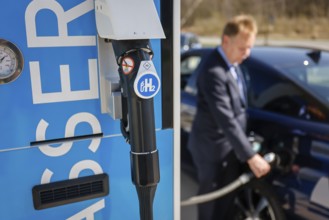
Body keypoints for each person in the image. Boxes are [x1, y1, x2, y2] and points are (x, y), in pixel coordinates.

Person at [187, 15, 271, 220]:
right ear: (226, 40)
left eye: (250, 47)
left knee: (226, 204)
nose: (247, 54)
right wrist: (251, 156)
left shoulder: (233, 64)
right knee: (211, 203)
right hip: (212, 150)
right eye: (243, 48)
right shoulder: (213, 71)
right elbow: (226, 119)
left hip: (230, 148)